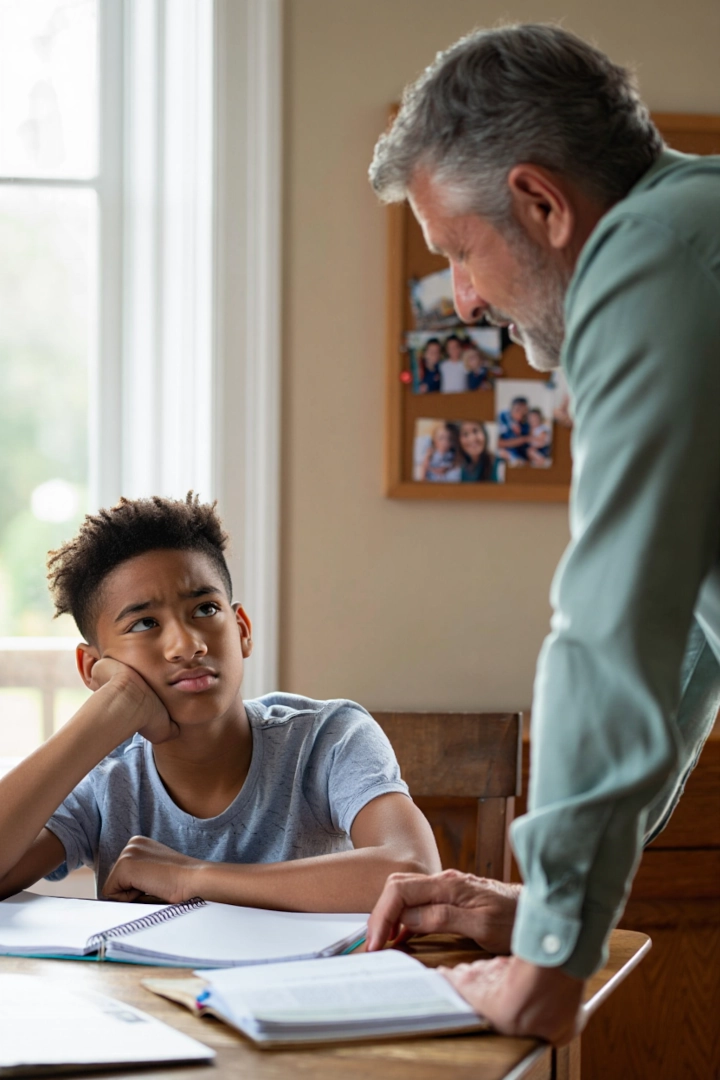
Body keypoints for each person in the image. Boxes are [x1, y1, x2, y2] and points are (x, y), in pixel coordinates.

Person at [368, 23, 720, 1043]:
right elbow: (690, 634)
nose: (467, 300)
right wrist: (559, 916)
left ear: (541, 202)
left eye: (459, 255)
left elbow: (611, 622)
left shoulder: (650, 257)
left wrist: (552, 962)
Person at [0, 494, 440, 909]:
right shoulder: (105, 777)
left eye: (206, 610)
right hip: (144, 990)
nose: (187, 645)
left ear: (242, 628)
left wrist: (192, 877)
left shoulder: (328, 737)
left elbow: (414, 872)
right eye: (144, 623)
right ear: (92, 667)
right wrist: (105, 711)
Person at [497, 396, 530, 465]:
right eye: (517, 410)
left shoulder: (526, 423)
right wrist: (522, 439)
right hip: (504, 453)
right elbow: (498, 443)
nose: (520, 414)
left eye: (524, 411)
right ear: (511, 408)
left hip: (518, 455)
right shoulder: (502, 416)